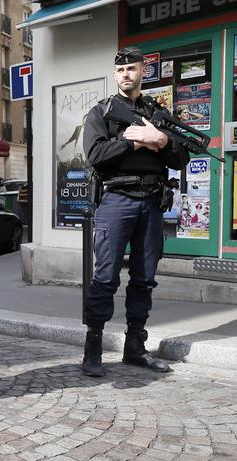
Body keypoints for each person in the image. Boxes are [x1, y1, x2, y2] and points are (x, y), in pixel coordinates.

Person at [81, 47, 190, 377]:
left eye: (132, 68)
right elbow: (95, 155)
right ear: (115, 75)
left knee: (144, 278)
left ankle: (135, 348)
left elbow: (181, 158)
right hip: (117, 201)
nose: (126, 74)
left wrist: (160, 139)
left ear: (144, 71)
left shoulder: (157, 113)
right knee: (105, 277)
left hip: (152, 202)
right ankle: (93, 348)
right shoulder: (101, 112)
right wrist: (136, 142)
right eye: (121, 70)